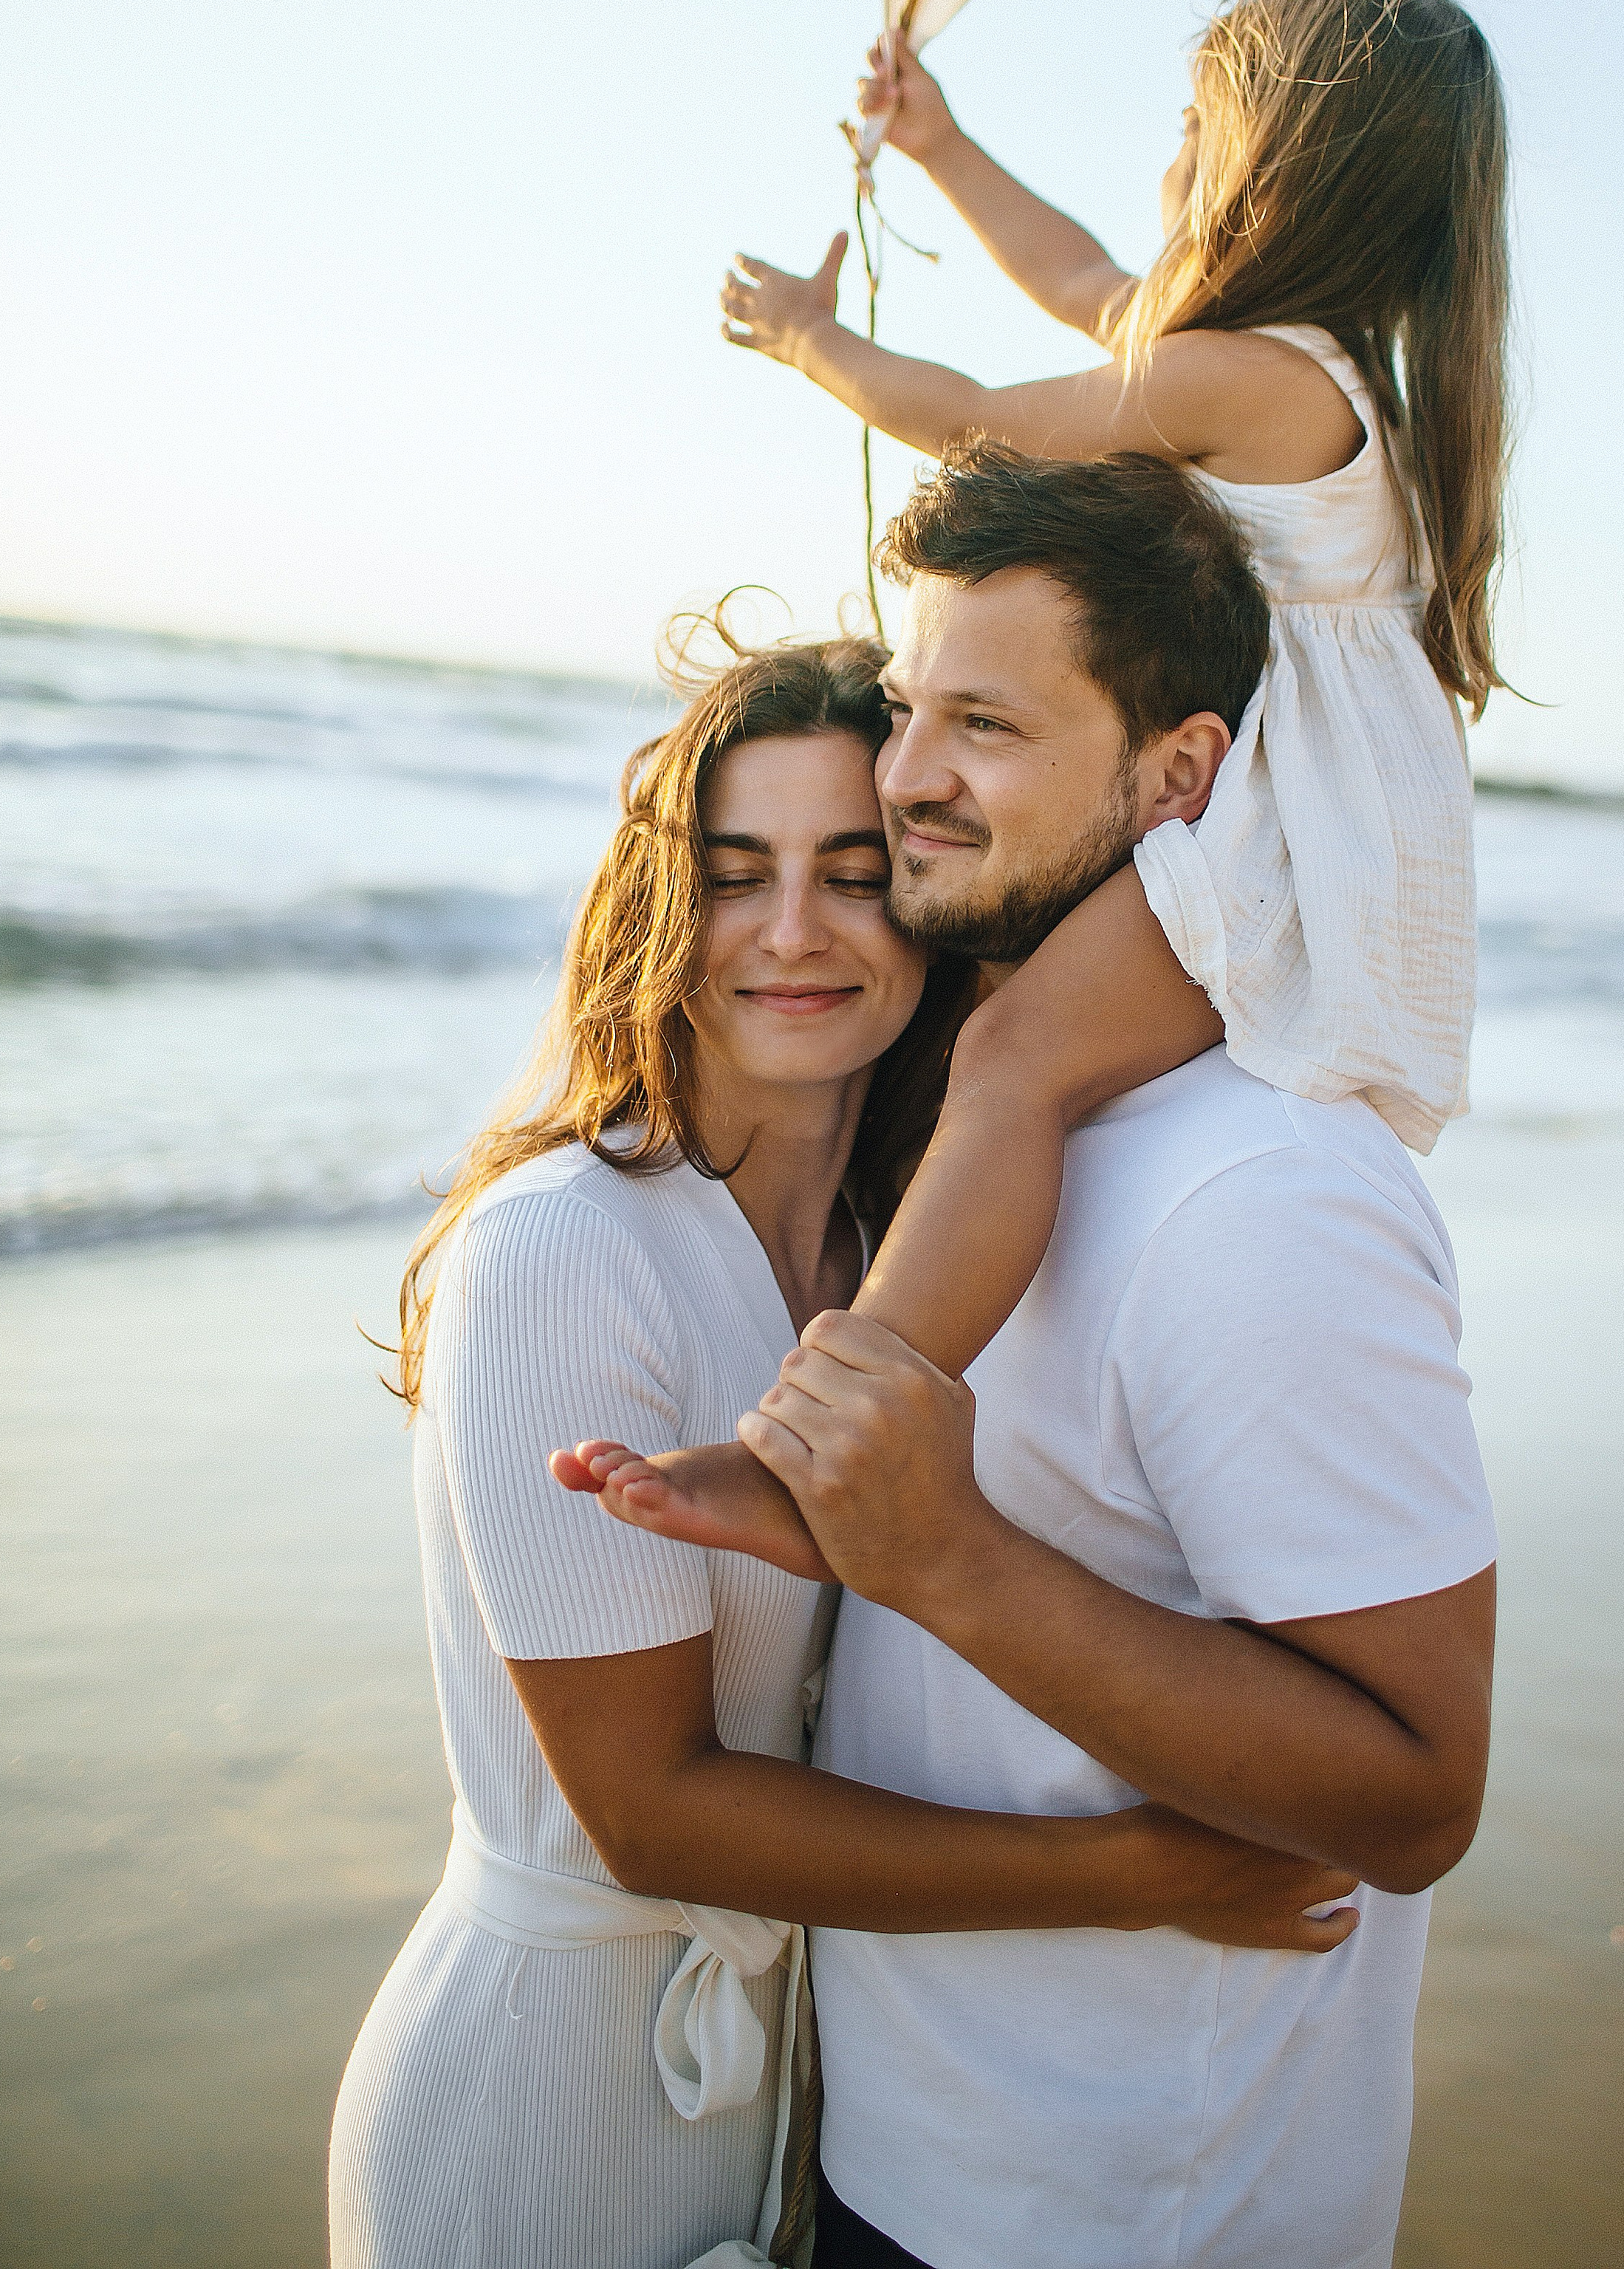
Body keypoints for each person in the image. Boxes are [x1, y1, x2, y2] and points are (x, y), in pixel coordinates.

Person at [328, 631, 1363, 2269]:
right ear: (660, 909)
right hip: (547, 2101)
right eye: (735, 877)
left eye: (855, 871)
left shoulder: (904, 1263)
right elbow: (649, 1817)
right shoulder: (563, 1250)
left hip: (782, 2085)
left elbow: (1200, 877)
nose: (795, 934)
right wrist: (1143, 1870)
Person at [574, 445, 1499, 2269]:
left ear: (1183, 777)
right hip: (917, 2147)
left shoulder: (1261, 1197)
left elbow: (1414, 1799)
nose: (905, 772)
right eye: (911, 708)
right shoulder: (997, 1130)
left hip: (1118, 2212)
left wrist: (939, 1558)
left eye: (982, 727)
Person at [609, 0, 1509, 1576]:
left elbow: (971, 421)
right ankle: (853, 1413)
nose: (1164, 166)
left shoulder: (1248, 377)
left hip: (1264, 821)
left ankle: (832, 1445)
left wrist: (813, 342)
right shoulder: (1300, 369)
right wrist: (938, 145)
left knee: (1017, 1050)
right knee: (1017, 1042)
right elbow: (1083, 275)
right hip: (1289, 808)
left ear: (1264, 163)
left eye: (1187, 129)